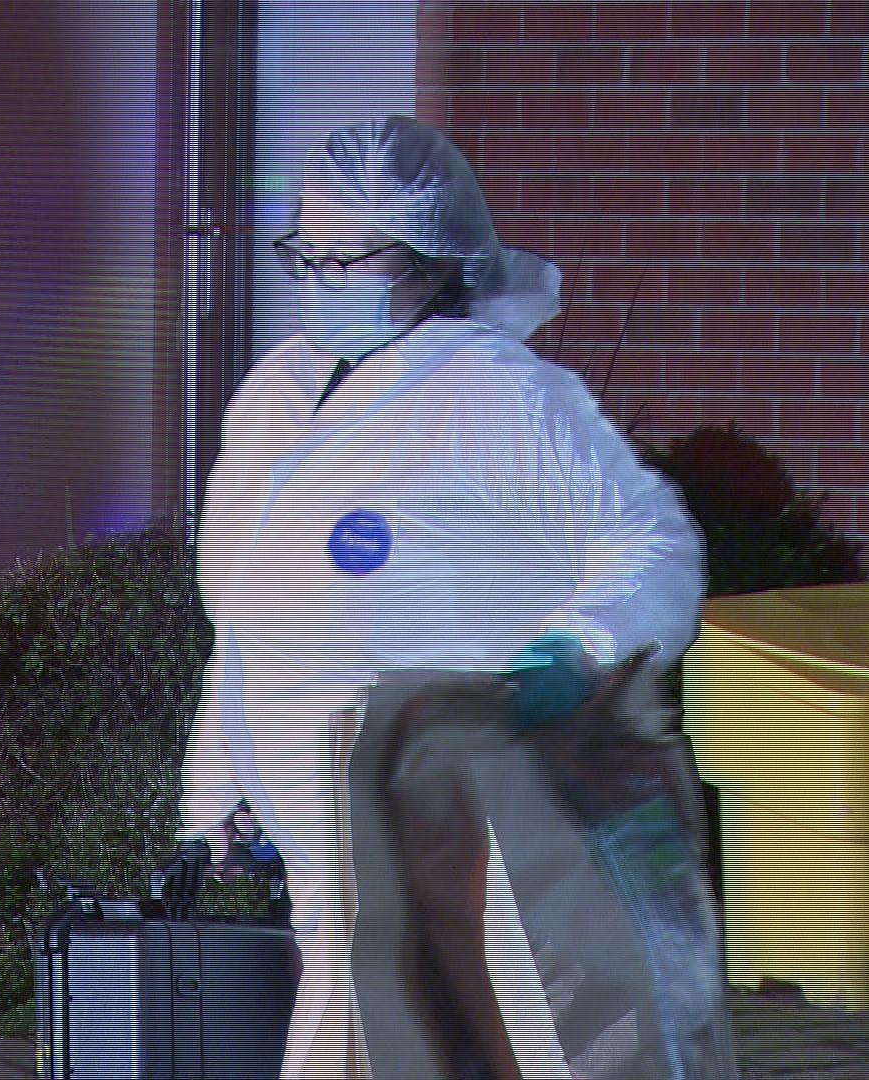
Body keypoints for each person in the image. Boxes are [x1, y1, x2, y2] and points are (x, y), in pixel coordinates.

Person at [174, 116, 706, 1078]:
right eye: (307, 253)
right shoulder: (279, 393)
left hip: (456, 840)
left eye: (350, 259)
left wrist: (579, 646)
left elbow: (650, 543)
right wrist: (222, 781)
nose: (320, 281)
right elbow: (249, 614)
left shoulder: (493, 396)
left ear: (431, 261)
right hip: (326, 859)